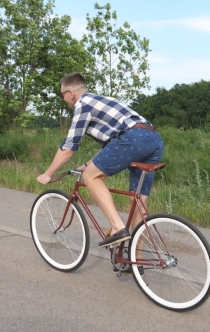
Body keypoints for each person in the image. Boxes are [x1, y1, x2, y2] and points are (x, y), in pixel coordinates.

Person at [37, 72, 164, 247]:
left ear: (71, 93)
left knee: (91, 177)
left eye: (62, 94)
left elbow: (68, 148)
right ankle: (135, 261)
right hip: (153, 139)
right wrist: (88, 165)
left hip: (132, 138)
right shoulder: (103, 100)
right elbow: (113, 143)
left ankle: (118, 227)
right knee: (138, 202)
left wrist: (47, 174)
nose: (63, 99)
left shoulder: (83, 105)